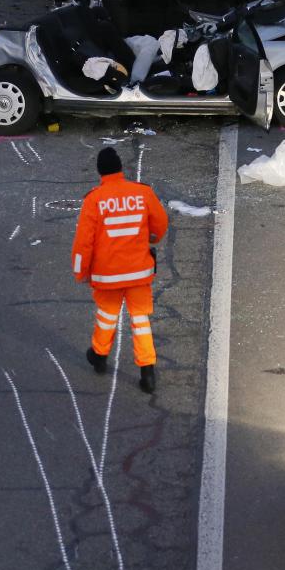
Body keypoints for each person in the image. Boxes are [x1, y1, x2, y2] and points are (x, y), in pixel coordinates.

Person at [71, 147, 168, 393]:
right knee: (140, 320)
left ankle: (100, 356)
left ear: (100, 172)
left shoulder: (94, 199)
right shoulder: (142, 193)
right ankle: (147, 372)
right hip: (139, 273)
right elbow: (160, 223)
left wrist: (80, 271)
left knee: (106, 316)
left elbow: (84, 241)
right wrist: (152, 239)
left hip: (108, 274)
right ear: (120, 168)